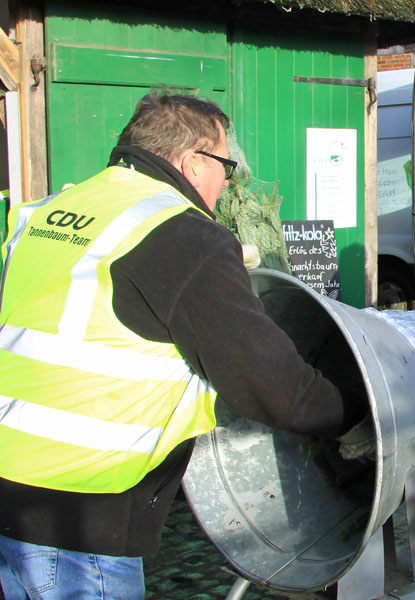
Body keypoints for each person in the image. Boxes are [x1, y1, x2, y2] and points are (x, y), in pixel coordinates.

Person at [0, 92, 366, 598]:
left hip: (11, 494)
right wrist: (355, 415)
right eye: (226, 167)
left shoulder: (47, 212)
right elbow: (276, 386)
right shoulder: (182, 234)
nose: (227, 183)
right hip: (82, 515)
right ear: (194, 162)